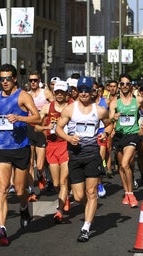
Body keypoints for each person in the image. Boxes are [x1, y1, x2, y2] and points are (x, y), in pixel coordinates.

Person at [0, 64, 41, 246]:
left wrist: (20, 118)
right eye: (1, 79)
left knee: (19, 190)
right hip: (3, 148)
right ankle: (2, 228)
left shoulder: (22, 96)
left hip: (20, 148)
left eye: (8, 78)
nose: (4, 82)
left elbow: (37, 117)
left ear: (15, 79)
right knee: (2, 190)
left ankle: (24, 207)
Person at [55, 76, 113, 242]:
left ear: (92, 92)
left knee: (91, 192)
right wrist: (68, 138)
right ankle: (90, 207)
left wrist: (105, 133)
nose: (84, 93)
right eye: (81, 90)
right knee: (79, 197)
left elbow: (109, 124)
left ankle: (86, 227)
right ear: (77, 91)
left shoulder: (99, 110)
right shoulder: (69, 109)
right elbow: (58, 128)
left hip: (92, 155)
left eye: (87, 90)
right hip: (75, 156)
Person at [108, 73, 143, 208]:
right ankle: (126, 192)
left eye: (127, 83)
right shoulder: (114, 102)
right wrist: (114, 117)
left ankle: (131, 194)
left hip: (132, 135)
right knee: (121, 166)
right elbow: (109, 120)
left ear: (131, 85)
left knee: (126, 164)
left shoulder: (138, 100)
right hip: (119, 136)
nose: (124, 86)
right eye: (122, 84)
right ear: (119, 86)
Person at [34, 80, 71, 223]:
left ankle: (60, 211)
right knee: (56, 183)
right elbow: (36, 127)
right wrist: (46, 127)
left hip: (66, 145)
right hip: (51, 146)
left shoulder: (71, 108)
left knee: (63, 181)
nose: (59, 95)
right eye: (57, 92)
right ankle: (65, 196)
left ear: (66, 93)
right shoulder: (46, 108)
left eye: (62, 92)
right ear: (54, 93)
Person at [27, 71, 54, 200]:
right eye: (31, 80)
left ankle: (41, 174)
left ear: (39, 81)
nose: (33, 82)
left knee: (40, 164)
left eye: (35, 80)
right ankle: (31, 190)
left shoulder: (45, 93)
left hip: (42, 129)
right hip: (29, 129)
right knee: (30, 162)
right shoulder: (26, 95)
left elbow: (55, 106)